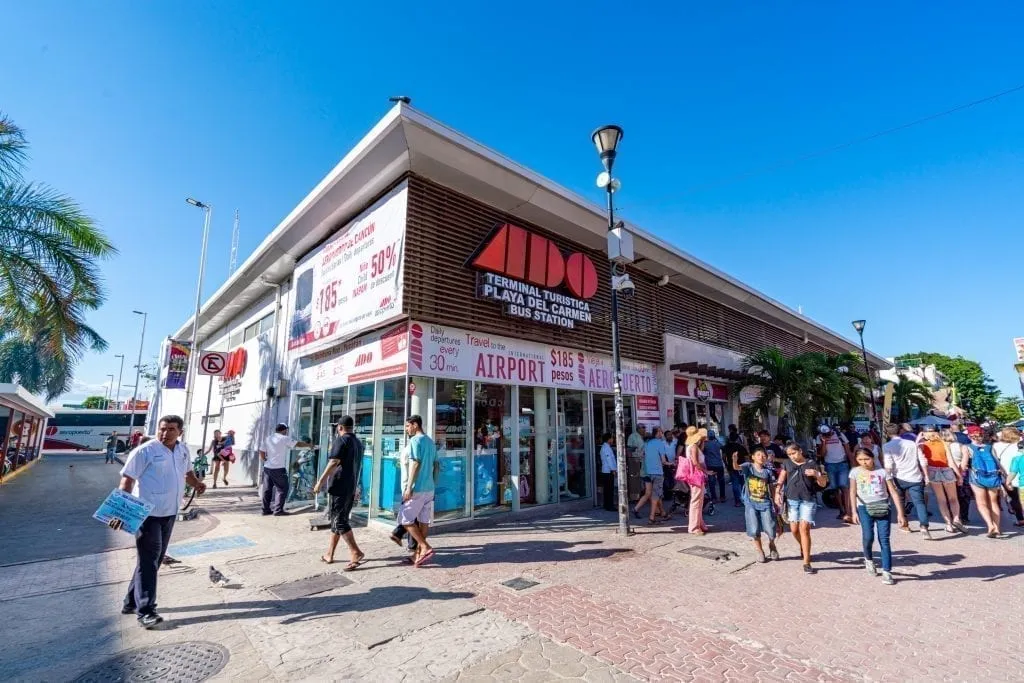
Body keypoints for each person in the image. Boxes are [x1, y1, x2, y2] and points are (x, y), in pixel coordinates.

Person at [115, 415, 205, 629]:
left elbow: (187, 473)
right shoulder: (145, 451)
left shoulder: (183, 451)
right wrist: (121, 511)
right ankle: (145, 611)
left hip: (170, 511)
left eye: (171, 429)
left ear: (180, 432)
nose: (165, 433)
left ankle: (131, 602)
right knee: (149, 559)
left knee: (152, 560)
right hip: (146, 513)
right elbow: (127, 479)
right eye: (162, 429)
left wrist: (197, 485)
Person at [313, 417, 365, 569]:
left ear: (340, 427)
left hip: (340, 485)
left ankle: (355, 552)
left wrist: (320, 482)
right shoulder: (358, 442)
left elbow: (333, 462)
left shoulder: (341, 441)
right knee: (338, 519)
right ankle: (330, 553)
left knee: (340, 521)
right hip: (350, 485)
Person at [848, 447, 899, 585]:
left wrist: (901, 512)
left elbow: (893, 492)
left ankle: (887, 571)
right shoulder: (855, 472)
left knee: (884, 539)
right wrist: (853, 511)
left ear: (873, 457)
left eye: (867, 459)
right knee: (868, 536)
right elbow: (852, 491)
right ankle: (869, 559)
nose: (864, 462)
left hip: (883, 507)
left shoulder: (882, 472)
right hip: (864, 507)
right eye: (860, 460)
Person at [776, 443, 828, 574]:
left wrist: (816, 474)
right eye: (789, 454)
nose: (792, 456)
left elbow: (823, 483)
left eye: (794, 453)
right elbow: (781, 479)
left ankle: (807, 561)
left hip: (808, 500)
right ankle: (803, 546)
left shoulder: (812, 463)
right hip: (792, 500)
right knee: (794, 530)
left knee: (804, 529)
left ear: (800, 450)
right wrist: (777, 492)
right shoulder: (787, 464)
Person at [882, 422, 932, 539]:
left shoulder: (887, 446)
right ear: (900, 431)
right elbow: (922, 459)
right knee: (919, 502)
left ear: (887, 434)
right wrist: (926, 475)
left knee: (900, 501)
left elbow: (888, 465)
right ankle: (924, 526)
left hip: (898, 477)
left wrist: (887, 479)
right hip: (915, 476)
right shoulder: (911, 443)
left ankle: (905, 524)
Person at [399, 415, 437, 567]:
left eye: (408, 426)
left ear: (415, 425)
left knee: (404, 518)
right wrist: (434, 483)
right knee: (423, 520)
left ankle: (425, 547)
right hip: (430, 488)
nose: (407, 429)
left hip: (418, 488)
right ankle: (418, 554)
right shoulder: (431, 442)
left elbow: (415, 463)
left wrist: (409, 487)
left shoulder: (415, 441)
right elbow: (437, 466)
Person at [963, 431, 1011, 538]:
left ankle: (990, 526)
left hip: (976, 478)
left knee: (981, 503)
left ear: (969, 436)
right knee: (993, 502)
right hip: (993, 477)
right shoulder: (990, 447)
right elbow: (998, 463)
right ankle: (997, 528)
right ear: (982, 436)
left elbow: (964, 463)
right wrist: (1005, 476)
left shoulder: (967, 447)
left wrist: (959, 474)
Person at [258, 423, 311, 516]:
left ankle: (265, 510)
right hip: (278, 469)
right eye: (286, 430)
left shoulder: (268, 438)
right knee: (282, 488)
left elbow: (261, 451)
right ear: (284, 430)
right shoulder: (284, 438)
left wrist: (265, 459)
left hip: (267, 468)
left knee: (267, 489)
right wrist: (309, 445)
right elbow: (297, 444)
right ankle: (278, 510)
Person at [740, 447, 778, 563]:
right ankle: (760, 551)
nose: (761, 457)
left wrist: (775, 501)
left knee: (770, 529)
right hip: (751, 503)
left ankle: (772, 545)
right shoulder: (748, 468)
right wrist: (734, 459)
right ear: (753, 457)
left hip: (765, 502)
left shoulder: (767, 471)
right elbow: (737, 467)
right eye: (758, 455)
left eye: (763, 455)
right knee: (754, 528)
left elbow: (771, 487)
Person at [927, 430, 967, 533]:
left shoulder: (925, 445)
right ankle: (956, 519)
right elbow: (951, 461)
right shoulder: (943, 444)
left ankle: (948, 524)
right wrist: (959, 476)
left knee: (941, 500)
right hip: (946, 470)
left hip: (933, 471)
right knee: (953, 498)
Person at [815, 424, 853, 523]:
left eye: (829, 433)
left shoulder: (840, 435)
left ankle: (848, 512)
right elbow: (822, 454)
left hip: (842, 464)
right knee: (835, 488)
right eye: (825, 434)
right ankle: (841, 510)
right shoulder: (819, 438)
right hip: (830, 464)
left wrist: (853, 464)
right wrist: (824, 442)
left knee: (844, 487)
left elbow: (848, 450)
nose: (828, 435)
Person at [634, 427, 671, 524]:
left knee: (651, 493)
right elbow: (663, 460)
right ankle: (652, 517)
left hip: (647, 472)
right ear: (658, 433)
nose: (662, 434)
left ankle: (662, 512)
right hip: (657, 472)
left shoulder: (646, 444)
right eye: (661, 432)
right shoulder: (660, 443)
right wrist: (670, 463)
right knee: (655, 495)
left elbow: (640, 456)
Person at [992, 427, 1024, 527]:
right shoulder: (1020, 444)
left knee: (1014, 498)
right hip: (1021, 474)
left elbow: (995, 461)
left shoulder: (996, 446)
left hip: (1007, 475)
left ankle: (1020, 519)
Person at [683, 426, 709, 535]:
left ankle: (699, 523)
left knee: (699, 500)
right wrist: (705, 471)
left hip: (694, 475)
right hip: (696, 475)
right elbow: (695, 462)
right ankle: (694, 527)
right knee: (696, 501)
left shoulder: (691, 446)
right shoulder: (693, 447)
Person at [723, 433, 749, 507]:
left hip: (731, 467)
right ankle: (745, 499)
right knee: (743, 484)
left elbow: (723, 457)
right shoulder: (740, 446)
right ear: (737, 439)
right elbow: (746, 457)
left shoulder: (726, 447)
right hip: (742, 466)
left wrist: (726, 464)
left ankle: (737, 501)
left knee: (735, 484)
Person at [703, 430, 726, 503]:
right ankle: (722, 497)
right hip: (719, 464)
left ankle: (714, 498)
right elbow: (723, 447)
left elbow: (702, 451)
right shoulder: (717, 443)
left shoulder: (705, 444)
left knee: (712, 482)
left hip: (710, 465)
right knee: (721, 481)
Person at [599, 432, 617, 511]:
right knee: (609, 489)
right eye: (612, 438)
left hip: (606, 471)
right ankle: (609, 506)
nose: (613, 439)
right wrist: (613, 469)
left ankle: (607, 505)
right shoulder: (606, 448)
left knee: (607, 489)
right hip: (608, 471)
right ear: (609, 439)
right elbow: (609, 460)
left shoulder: (606, 447)